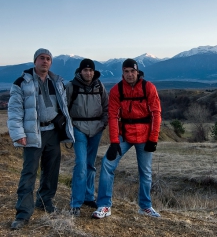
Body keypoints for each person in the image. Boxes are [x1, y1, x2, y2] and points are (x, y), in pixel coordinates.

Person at [7, 48, 74, 230]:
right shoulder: (22, 82)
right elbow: (14, 111)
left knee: (51, 170)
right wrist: (18, 134)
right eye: (42, 58)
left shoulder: (57, 81)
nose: (45, 61)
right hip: (32, 133)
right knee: (29, 172)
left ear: (51, 62)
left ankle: (45, 202)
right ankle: (23, 213)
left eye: (48, 59)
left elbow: (63, 107)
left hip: (53, 131)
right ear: (35, 61)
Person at [92, 58, 161, 219]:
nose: (130, 75)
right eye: (126, 71)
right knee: (107, 164)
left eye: (132, 71)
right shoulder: (117, 90)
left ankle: (145, 206)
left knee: (145, 172)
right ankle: (104, 205)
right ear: (123, 73)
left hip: (144, 135)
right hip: (124, 135)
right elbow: (113, 116)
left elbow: (156, 114)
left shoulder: (148, 88)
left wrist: (153, 138)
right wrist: (114, 141)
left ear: (138, 72)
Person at [66, 59, 108, 217]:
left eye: (90, 70)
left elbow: (106, 106)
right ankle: (75, 202)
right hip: (78, 128)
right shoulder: (71, 86)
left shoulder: (99, 86)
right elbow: (64, 107)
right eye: (85, 70)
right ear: (80, 71)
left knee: (90, 164)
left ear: (94, 71)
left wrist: (103, 123)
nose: (88, 73)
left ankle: (88, 197)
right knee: (81, 164)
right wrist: (69, 126)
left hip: (96, 129)